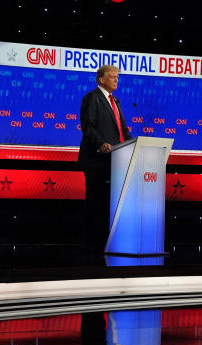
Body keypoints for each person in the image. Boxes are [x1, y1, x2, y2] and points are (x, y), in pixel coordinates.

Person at [78, 65, 132, 264]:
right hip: (97, 161)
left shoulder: (115, 100)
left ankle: (105, 244)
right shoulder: (93, 98)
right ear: (101, 79)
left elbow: (122, 129)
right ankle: (91, 248)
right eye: (113, 77)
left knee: (108, 206)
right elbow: (87, 126)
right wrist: (101, 143)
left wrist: (133, 145)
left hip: (115, 161)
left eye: (118, 77)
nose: (117, 80)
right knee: (96, 204)